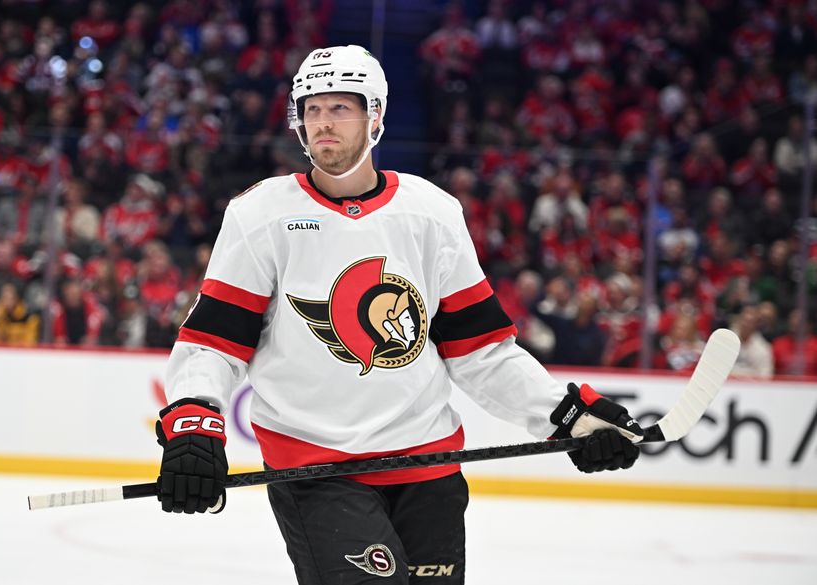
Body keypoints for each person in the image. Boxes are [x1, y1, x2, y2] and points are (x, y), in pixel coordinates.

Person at [155, 45, 642, 584]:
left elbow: (480, 352)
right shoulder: (261, 215)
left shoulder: (431, 212)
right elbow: (214, 343)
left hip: (428, 468)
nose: (322, 124)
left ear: (376, 116)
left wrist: (567, 415)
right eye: (311, 109)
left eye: (339, 108)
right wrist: (195, 422)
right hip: (316, 470)